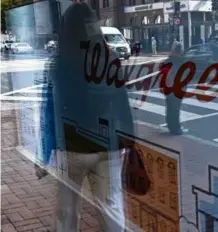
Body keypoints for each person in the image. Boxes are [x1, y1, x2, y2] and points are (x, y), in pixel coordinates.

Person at [36, 3, 135, 231]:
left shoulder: (58, 62)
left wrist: (44, 153)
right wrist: (129, 140)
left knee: (66, 211)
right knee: (111, 208)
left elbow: (49, 110)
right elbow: (122, 104)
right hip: (107, 145)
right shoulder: (109, 59)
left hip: (71, 148)